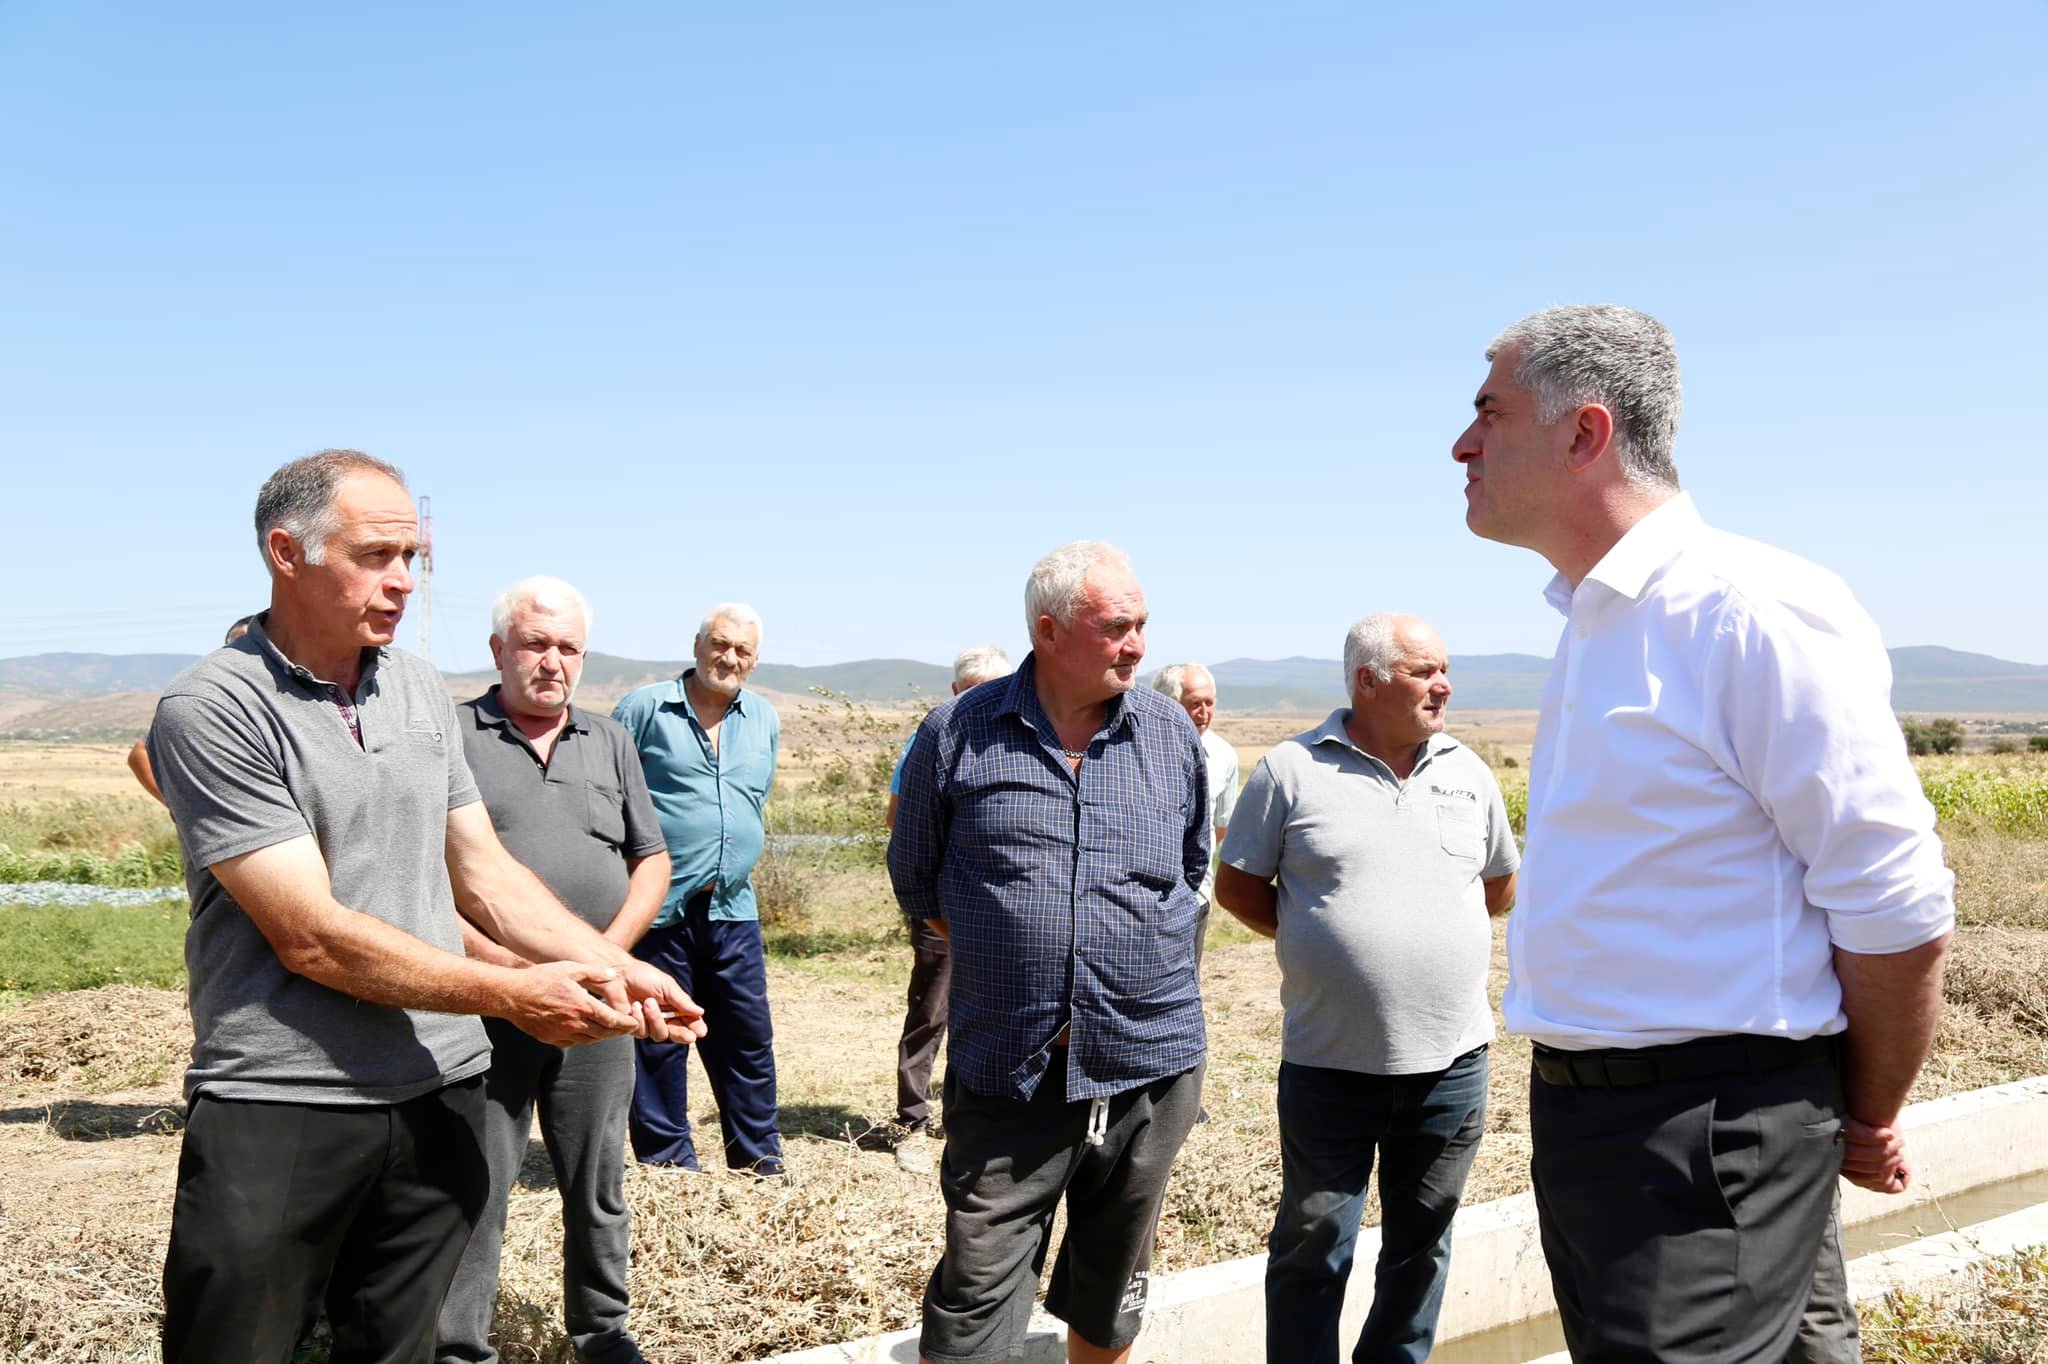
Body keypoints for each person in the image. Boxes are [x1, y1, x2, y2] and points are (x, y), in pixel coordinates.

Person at [1451, 305, 1954, 1362]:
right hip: (1616, 1126)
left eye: (1489, 413)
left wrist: (1865, 1112)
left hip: (1707, 1128)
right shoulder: (1599, 618)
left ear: (1584, 432)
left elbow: (1893, 899)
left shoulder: (1740, 609)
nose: (1462, 444)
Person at [146, 450, 702, 1364]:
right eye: (375, 554)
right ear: (286, 553)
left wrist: (619, 968)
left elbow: (484, 874)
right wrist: (512, 995)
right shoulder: (214, 708)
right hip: (285, 1100)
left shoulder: (413, 687)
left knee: (399, 1348)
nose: (403, 579)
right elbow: (312, 938)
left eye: (412, 556)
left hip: (439, 1088)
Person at [888, 541, 1209, 1364]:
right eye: (1116, 627)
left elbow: (1189, 871)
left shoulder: (1169, 734)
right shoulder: (958, 732)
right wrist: (1019, 953)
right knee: (975, 1292)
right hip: (1012, 1067)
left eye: (1142, 625)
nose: (1137, 645)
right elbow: (917, 881)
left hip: (1146, 1063)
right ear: (1050, 630)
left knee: (1111, 1293)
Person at [1215, 613, 1517, 1364]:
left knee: (1422, 1247)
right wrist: (1320, 936)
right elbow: (1239, 888)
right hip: (1330, 1064)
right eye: (1424, 671)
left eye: (1445, 669)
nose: (1443, 685)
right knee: (1314, 1242)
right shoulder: (1290, 769)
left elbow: (1498, 886)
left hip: (1452, 1064)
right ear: (1368, 681)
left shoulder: (1467, 771)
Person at [436, 576, 670, 1364]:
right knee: (479, 1178)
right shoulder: (453, 735)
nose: (552, 661)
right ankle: (460, 1345)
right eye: (535, 643)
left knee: (598, 1179)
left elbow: (651, 860)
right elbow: (432, 878)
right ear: (498, 649)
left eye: (568, 647)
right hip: (492, 1003)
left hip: (601, 1006)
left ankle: (602, 1332)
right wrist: (508, 971)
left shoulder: (610, 740)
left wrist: (611, 962)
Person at [612, 603, 785, 1175]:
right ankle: (670, 1168)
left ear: (754, 660)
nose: (729, 657)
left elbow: (754, 798)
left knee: (747, 1039)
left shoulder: (763, 717)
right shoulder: (644, 708)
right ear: (697, 644)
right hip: (658, 907)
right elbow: (609, 796)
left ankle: (759, 1162)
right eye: (720, 644)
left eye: (743, 650)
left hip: (733, 905)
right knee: (660, 1038)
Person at [885, 643, 1011, 1176]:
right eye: (970, 692)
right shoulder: (929, 739)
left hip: (1001, 910)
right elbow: (899, 822)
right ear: (955, 691)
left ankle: (974, 1118)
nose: (979, 701)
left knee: (992, 1011)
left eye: (991, 691)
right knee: (931, 1010)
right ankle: (912, 1122)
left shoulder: (1014, 740)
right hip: (943, 905)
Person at [1149, 663, 1239, 968]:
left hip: (1195, 897)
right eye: (1194, 704)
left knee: (1187, 982)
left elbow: (1220, 828)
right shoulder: (1134, 751)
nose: (1203, 713)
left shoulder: (1224, 755)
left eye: (1209, 703)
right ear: (1167, 703)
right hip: (1139, 902)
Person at [126, 614, 255, 804]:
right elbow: (140, 753)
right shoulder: (208, 698)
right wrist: (179, 807)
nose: (244, 653)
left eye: (252, 645)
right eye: (237, 646)